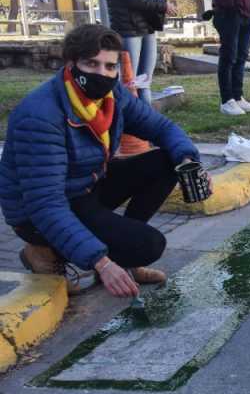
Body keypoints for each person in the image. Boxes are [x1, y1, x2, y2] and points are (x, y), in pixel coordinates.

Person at [0, 25, 205, 298]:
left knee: (169, 159)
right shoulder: (40, 116)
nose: (102, 74)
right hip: (39, 212)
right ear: (71, 63)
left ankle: (123, 255)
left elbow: (162, 128)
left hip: (86, 187)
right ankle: (42, 250)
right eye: (91, 63)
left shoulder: (112, 96)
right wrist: (102, 262)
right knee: (149, 245)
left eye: (110, 66)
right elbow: (45, 203)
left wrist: (190, 162)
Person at [97, 0, 173, 106]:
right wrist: (162, 6)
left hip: (147, 28)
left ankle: (146, 123)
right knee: (129, 83)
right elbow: (132, 0)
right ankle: (128, 122)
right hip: (128, 31)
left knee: (144, 82)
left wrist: (160, 1)